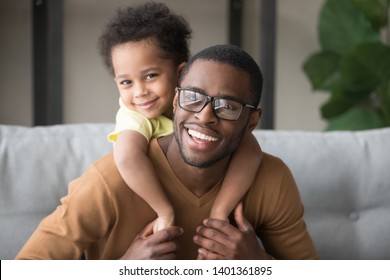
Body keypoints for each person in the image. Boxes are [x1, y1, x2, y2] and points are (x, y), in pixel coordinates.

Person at [16, 44, 318, 260]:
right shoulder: (109, 181)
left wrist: (255, 264)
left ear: (252, 121)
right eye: (193, 97)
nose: (204, 116)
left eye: (228, 106)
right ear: (175, 101)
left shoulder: (271, 179)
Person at [102, 2, 263, 233]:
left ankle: (218, 213)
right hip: (147, 205)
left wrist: (220, 212)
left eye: (150, 76)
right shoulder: (135, 116)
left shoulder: (196, 103)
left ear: (181, 73)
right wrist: (164, 211)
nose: (139, 92)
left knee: (250, 144)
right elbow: (127, 158)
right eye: (126, 82)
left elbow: (250, 149)